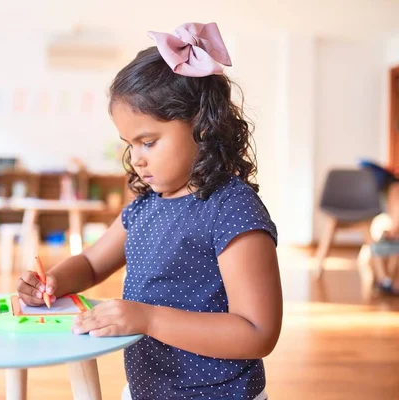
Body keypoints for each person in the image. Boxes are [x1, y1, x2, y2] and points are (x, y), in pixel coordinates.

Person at [16, 22, 282, 400]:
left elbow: (258, 332)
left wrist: (148, 317)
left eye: (149, 142)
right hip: (146, 390)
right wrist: (54, 281)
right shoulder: (145, 207)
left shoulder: (231, 208)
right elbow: (91, 264)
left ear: (202, 127)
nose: (136, 159)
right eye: (130, 144)